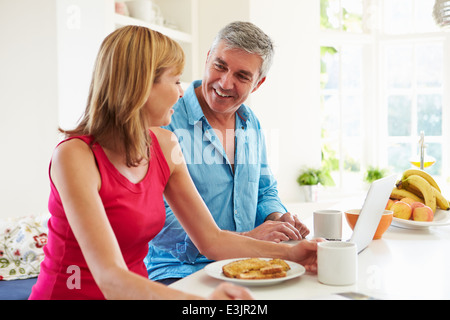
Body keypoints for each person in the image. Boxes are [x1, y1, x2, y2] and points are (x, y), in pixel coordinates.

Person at [29, 25, 320, 300]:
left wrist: (296, 254)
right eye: (176, 80)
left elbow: (213, 240)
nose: (182, 92)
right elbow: (110, 278)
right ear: (141, 85)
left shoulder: (165, 145)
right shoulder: (74, 157)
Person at [145, 21, 311, 285]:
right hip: (179, 271)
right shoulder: (165, 121)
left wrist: (278, 220)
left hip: (246, 265)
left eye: (242, 76)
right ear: (207, 57)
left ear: (258, 83)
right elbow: (156, 219)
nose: (225, 82)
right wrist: (247, 238)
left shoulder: (251, 124)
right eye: (220, 66)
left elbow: (264, 191)